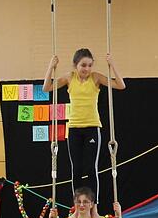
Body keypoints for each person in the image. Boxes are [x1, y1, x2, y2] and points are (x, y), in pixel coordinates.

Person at [43, 49, 125, 204]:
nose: (86, 69)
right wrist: (51, 66)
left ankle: (93, 205)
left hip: (92, 127)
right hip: (74, 128)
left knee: (90, 168)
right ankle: (77, 204)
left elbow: (120, 85)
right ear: (76, 65)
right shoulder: (69, 78)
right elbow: (46, 88)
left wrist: (112, 64)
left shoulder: (95, 78)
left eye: (89, 65)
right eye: (83, 65)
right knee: (77, 169)